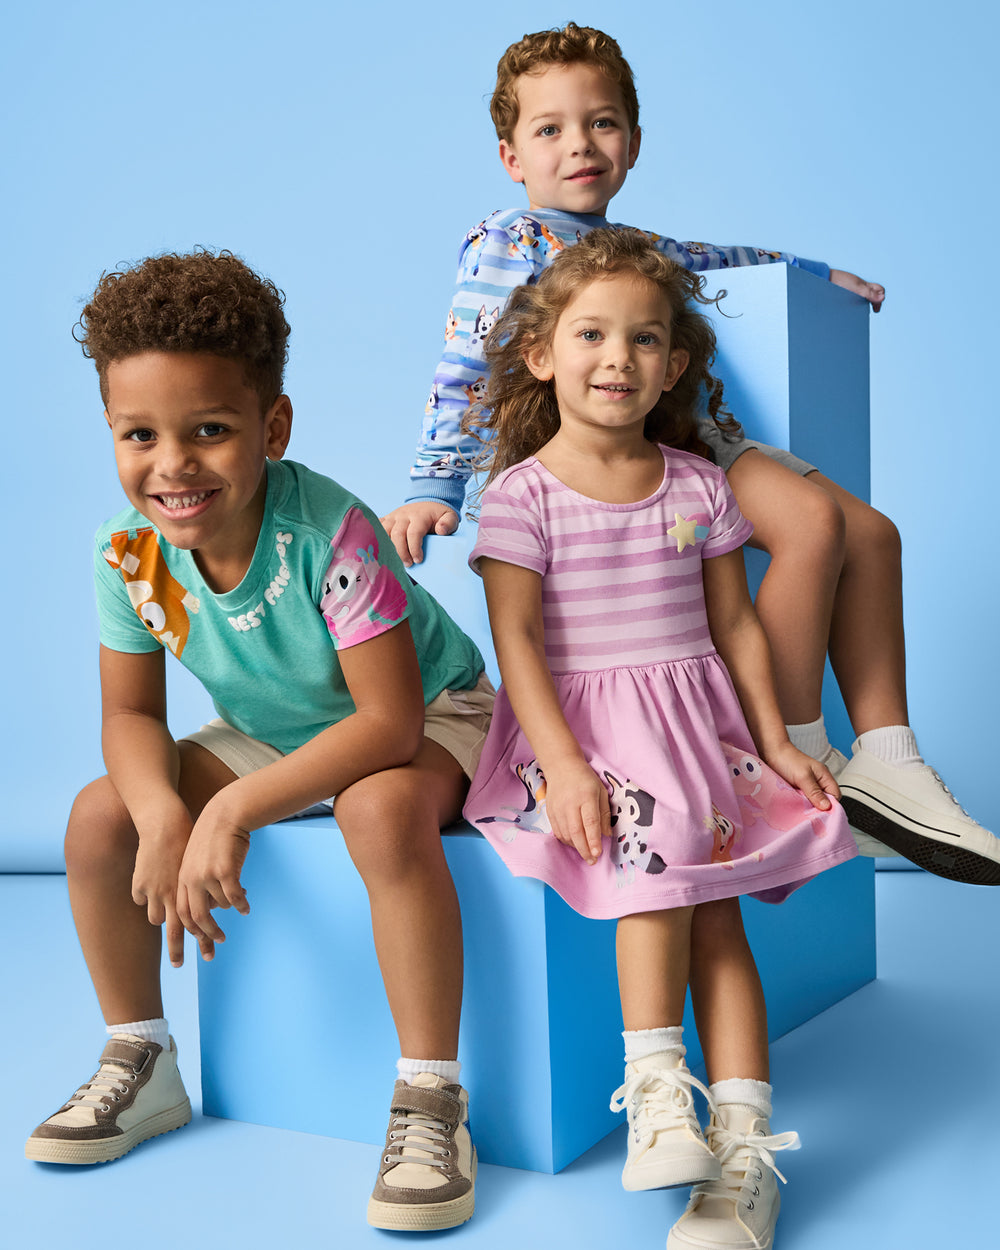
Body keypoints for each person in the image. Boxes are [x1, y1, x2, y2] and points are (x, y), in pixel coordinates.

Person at [381, 21, 1000, 885]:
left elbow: (717, 258)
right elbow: (461, 364)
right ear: (510, 156)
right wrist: (431, 483)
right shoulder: (509, 242)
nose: (580, 145)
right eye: (549, 129)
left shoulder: (643, 252)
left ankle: (888, 760)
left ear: (632, 142)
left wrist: (816, 275)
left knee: (875, 535)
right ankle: (787, 760)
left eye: (601, 123)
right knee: (813, 524)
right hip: (633, 453)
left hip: (695, 443)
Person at [24, 250, 492, 1233]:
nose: (173, 465)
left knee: (374, 803)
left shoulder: (333, 535)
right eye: (138, 434)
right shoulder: (130, 552)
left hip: (433, 709)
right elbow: (131, 718)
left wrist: (232, 806)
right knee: (99, 814)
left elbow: (387, 724)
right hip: (271, 728)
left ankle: (431, 1096)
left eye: (210, 430)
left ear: (272, 427)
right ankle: (140, 1055)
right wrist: (161, 812)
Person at [462, 226, 858, 1249]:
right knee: (649, 885)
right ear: (543, 352)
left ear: (673, 364)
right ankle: (654, 1091)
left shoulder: (696, 484)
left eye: (644, 340)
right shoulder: (521, 496)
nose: (617, 358)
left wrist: (774, 741)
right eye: (591, 334)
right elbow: (516, 639)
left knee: (718, 929)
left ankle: (742, 1148)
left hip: (693, 736)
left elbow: (733, 623)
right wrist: (559, 763)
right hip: (587, 736)